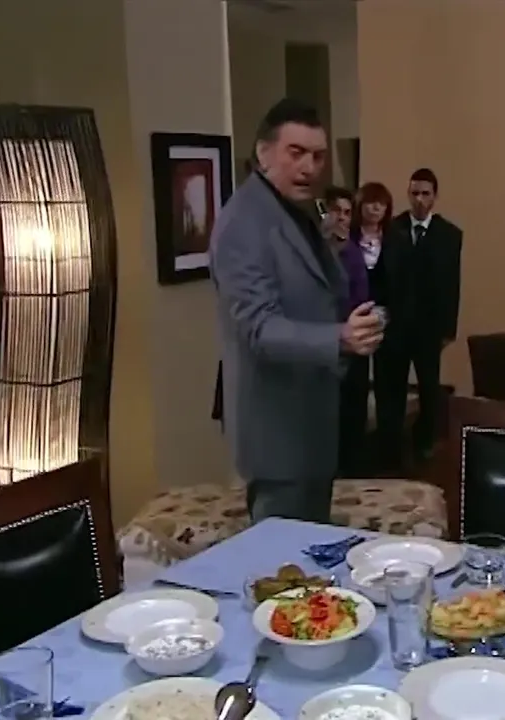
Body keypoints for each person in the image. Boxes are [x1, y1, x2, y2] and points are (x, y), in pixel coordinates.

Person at [210, 98, 384, 524]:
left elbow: (318, 294)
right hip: (277, 437)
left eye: (318, 156)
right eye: (296, 153)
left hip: (311, 426)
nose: (309, 167)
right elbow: (258, 327)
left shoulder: (296, 211)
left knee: (309, 556)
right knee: (283, 561)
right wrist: (340, 337)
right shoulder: (243, 222)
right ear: (263, 152)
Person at [372, 168, 463, 469]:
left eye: (425, 194)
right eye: (415, 193)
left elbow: (452, 284)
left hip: (429, 327)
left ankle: (425, 443)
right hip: (396, 324)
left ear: (435, 197)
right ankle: (390, 450)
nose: (420, 200)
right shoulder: (392, 229)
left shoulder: (449, 235)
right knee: (392, 390)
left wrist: (449, 328)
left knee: (429, 387)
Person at [321, 185, 371, 476]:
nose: (341, 217)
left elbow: (361, 298)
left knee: (351, 421)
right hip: (320, 345)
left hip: (350, 344)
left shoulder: (353, 254)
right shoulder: (313, 250)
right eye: (336, 211)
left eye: (347, 212)